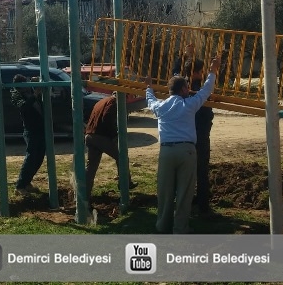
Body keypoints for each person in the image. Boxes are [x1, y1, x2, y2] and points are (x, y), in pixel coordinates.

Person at [144, 56, 220, 234]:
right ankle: (180, 227)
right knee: (185, 191)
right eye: (187, 87)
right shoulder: (189, 105)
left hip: (166, 151)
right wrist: (213, 71)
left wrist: (148, 86)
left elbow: (150, 100)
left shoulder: (161, 107)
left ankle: (162, 225)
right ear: (183, 89)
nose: (189, 89)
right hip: (187, 151)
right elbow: (206, 90)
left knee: (165, 190)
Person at [84, 92, 137, 206]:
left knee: (91, 168)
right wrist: (113, 135)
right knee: (122, 158)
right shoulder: (113, 103)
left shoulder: (101, 101)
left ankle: (84, 196)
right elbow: (107, 118)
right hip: (100, 137)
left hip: (90, 135)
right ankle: (125, 183)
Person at [185, 58, 214, 215]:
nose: (203, 74)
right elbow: (205, 110)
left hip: (188, 136)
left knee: (187, 171)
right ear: (195, 73)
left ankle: (189, 201)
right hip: (200, 135)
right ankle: (203, 206)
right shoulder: (196, 89)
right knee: (202, 170)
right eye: (201, 71)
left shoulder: (182, 87)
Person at [10, 74, 46, 195]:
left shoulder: (30, 88)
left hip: (41, 127)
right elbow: (24, 107)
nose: (27, 87)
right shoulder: (15, 94)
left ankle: (27, 182)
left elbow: (41, 82)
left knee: (39, 157)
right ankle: (20, 186)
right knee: (31, 157)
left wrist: (37, 81)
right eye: (24, 85)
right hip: (30, 129)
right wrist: (35, 95)